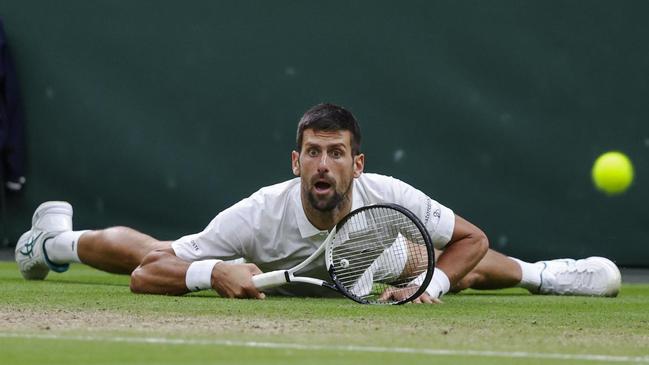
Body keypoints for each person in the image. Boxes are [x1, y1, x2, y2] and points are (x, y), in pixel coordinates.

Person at [15, 103, 621, 303]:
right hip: (258, 252)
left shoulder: (389, 196)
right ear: (295, 162)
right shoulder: (258, 213)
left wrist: (428, 288)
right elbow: (148, 275)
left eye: (336, 153)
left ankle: (546, 275)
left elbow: (473, 241)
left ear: (357, 165)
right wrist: (211, 272)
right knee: (151, 251)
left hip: (368, 259)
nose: (324, 165)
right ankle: (53, 241)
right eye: (313, 153)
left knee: (423, 256)